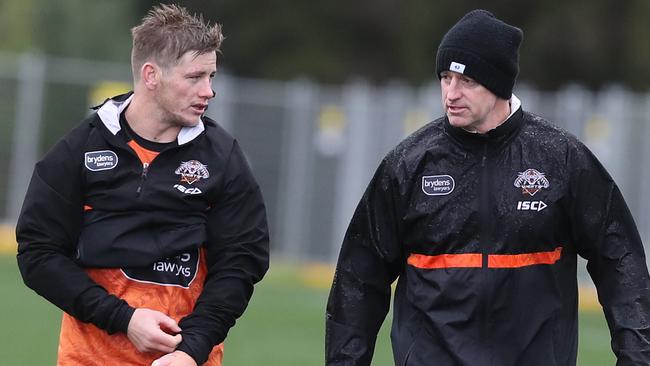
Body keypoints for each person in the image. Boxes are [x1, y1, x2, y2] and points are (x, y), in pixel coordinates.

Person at [325, 9, 650, 366]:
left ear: (498, 84)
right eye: (445, 78)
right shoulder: (408, 165)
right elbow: (358, 278)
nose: (451, 93)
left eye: (466, 81)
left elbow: (620, 259)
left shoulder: (562, 160)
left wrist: (637, 356)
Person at [16, 4, 269, 366]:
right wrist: (124, 318)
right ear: (151, 75)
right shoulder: (80, 149)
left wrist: (191, 350)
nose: (209, 91)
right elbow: (38, 254)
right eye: (195, 77)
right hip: (90, 359)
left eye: (211, 77)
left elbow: (240, 265)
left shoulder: (223, 158)